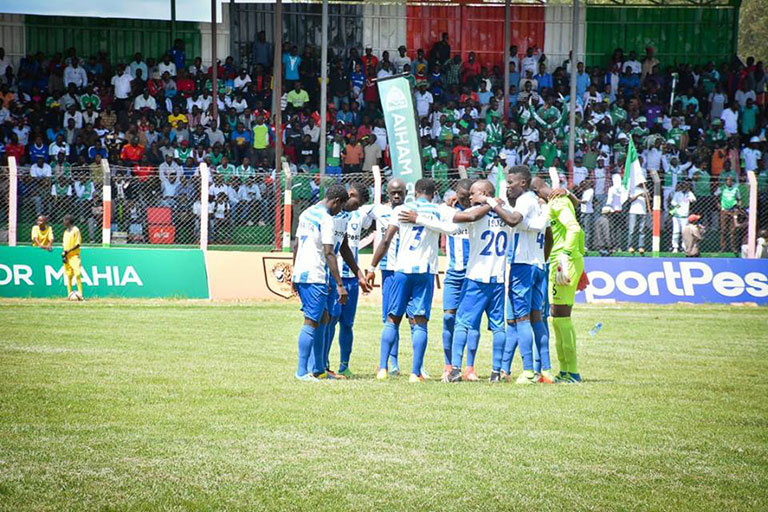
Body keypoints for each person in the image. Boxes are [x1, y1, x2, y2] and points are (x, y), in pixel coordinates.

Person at [369, 178, 460, 383]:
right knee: (419, 322)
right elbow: (453, 229)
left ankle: (383, 368)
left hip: (401, 269)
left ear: (414, 191)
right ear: (434, 192)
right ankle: (414, 372)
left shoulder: (402, 209)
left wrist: (372, 267)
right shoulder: (439, 210)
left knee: (392, 319)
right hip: (424, 272)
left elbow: (386, 240)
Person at [291, 184, 370, 381]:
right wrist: (340, 284)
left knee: (324, 318)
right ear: (337, 202)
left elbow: (297, 244)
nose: (343, 210)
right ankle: (302, 371)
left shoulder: (307, 213)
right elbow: (329, 252)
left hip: (304, 273)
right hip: (316, 275)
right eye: (341, 206)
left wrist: (294, 272)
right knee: (312, 321)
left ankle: (319, 369)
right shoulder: (326, 219)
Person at [531, 176, 585, 383]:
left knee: (562, 317)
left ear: (538, 194)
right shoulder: (557, 201)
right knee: (557, 317)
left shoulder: (558, 202)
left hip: (564, 261)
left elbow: (574, 228)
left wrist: (567, 254)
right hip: (558, 262)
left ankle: (572, 371)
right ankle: (565, 370)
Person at [325, 182, 373, 378]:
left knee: (347, 324)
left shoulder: (359, 215)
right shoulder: (331, 216)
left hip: (352, 280)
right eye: (357, 203)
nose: (357, 207)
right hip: (334, 277)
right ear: (350, 195)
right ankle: (324, 363)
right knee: (330, 320)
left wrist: (360, 274)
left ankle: (344, 364)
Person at [369, 179, 406, 375]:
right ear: (387, 193)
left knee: (415, 319)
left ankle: (419, 367)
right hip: (389, 270)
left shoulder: (412, 211)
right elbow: (356, 214)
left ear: (406, 192)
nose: (397, 196)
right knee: (390, 318)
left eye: (400, 192)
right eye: (393, 193)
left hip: (409, 270)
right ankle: (393, 364)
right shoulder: (378, 210)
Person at [61, 214, 83, 300]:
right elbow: (64, 245)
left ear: (68, 221)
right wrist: (64, 255)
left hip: (74, 256)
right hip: (67, 256)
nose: (63, 222)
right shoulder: (65, 232)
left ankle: (80, 295)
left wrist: (68, 251)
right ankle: (69, 294)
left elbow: (77, 244)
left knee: (77, 274)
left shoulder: (76, 230)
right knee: (69, 276)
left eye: (65, 220)